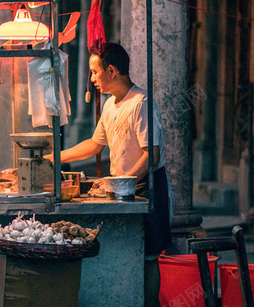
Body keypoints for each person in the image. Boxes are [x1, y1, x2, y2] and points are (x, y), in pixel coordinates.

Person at [48, 42, 171, 307]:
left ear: (112, 70)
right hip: (122, 189)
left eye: (94, 72)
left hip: (146, 189)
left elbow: (153, 156)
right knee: (126, 250)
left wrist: (118, 182)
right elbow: (94, 144)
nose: (92, 79)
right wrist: (56, 158)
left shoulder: (142, 103)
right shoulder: (110, 105)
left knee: (149, 257)